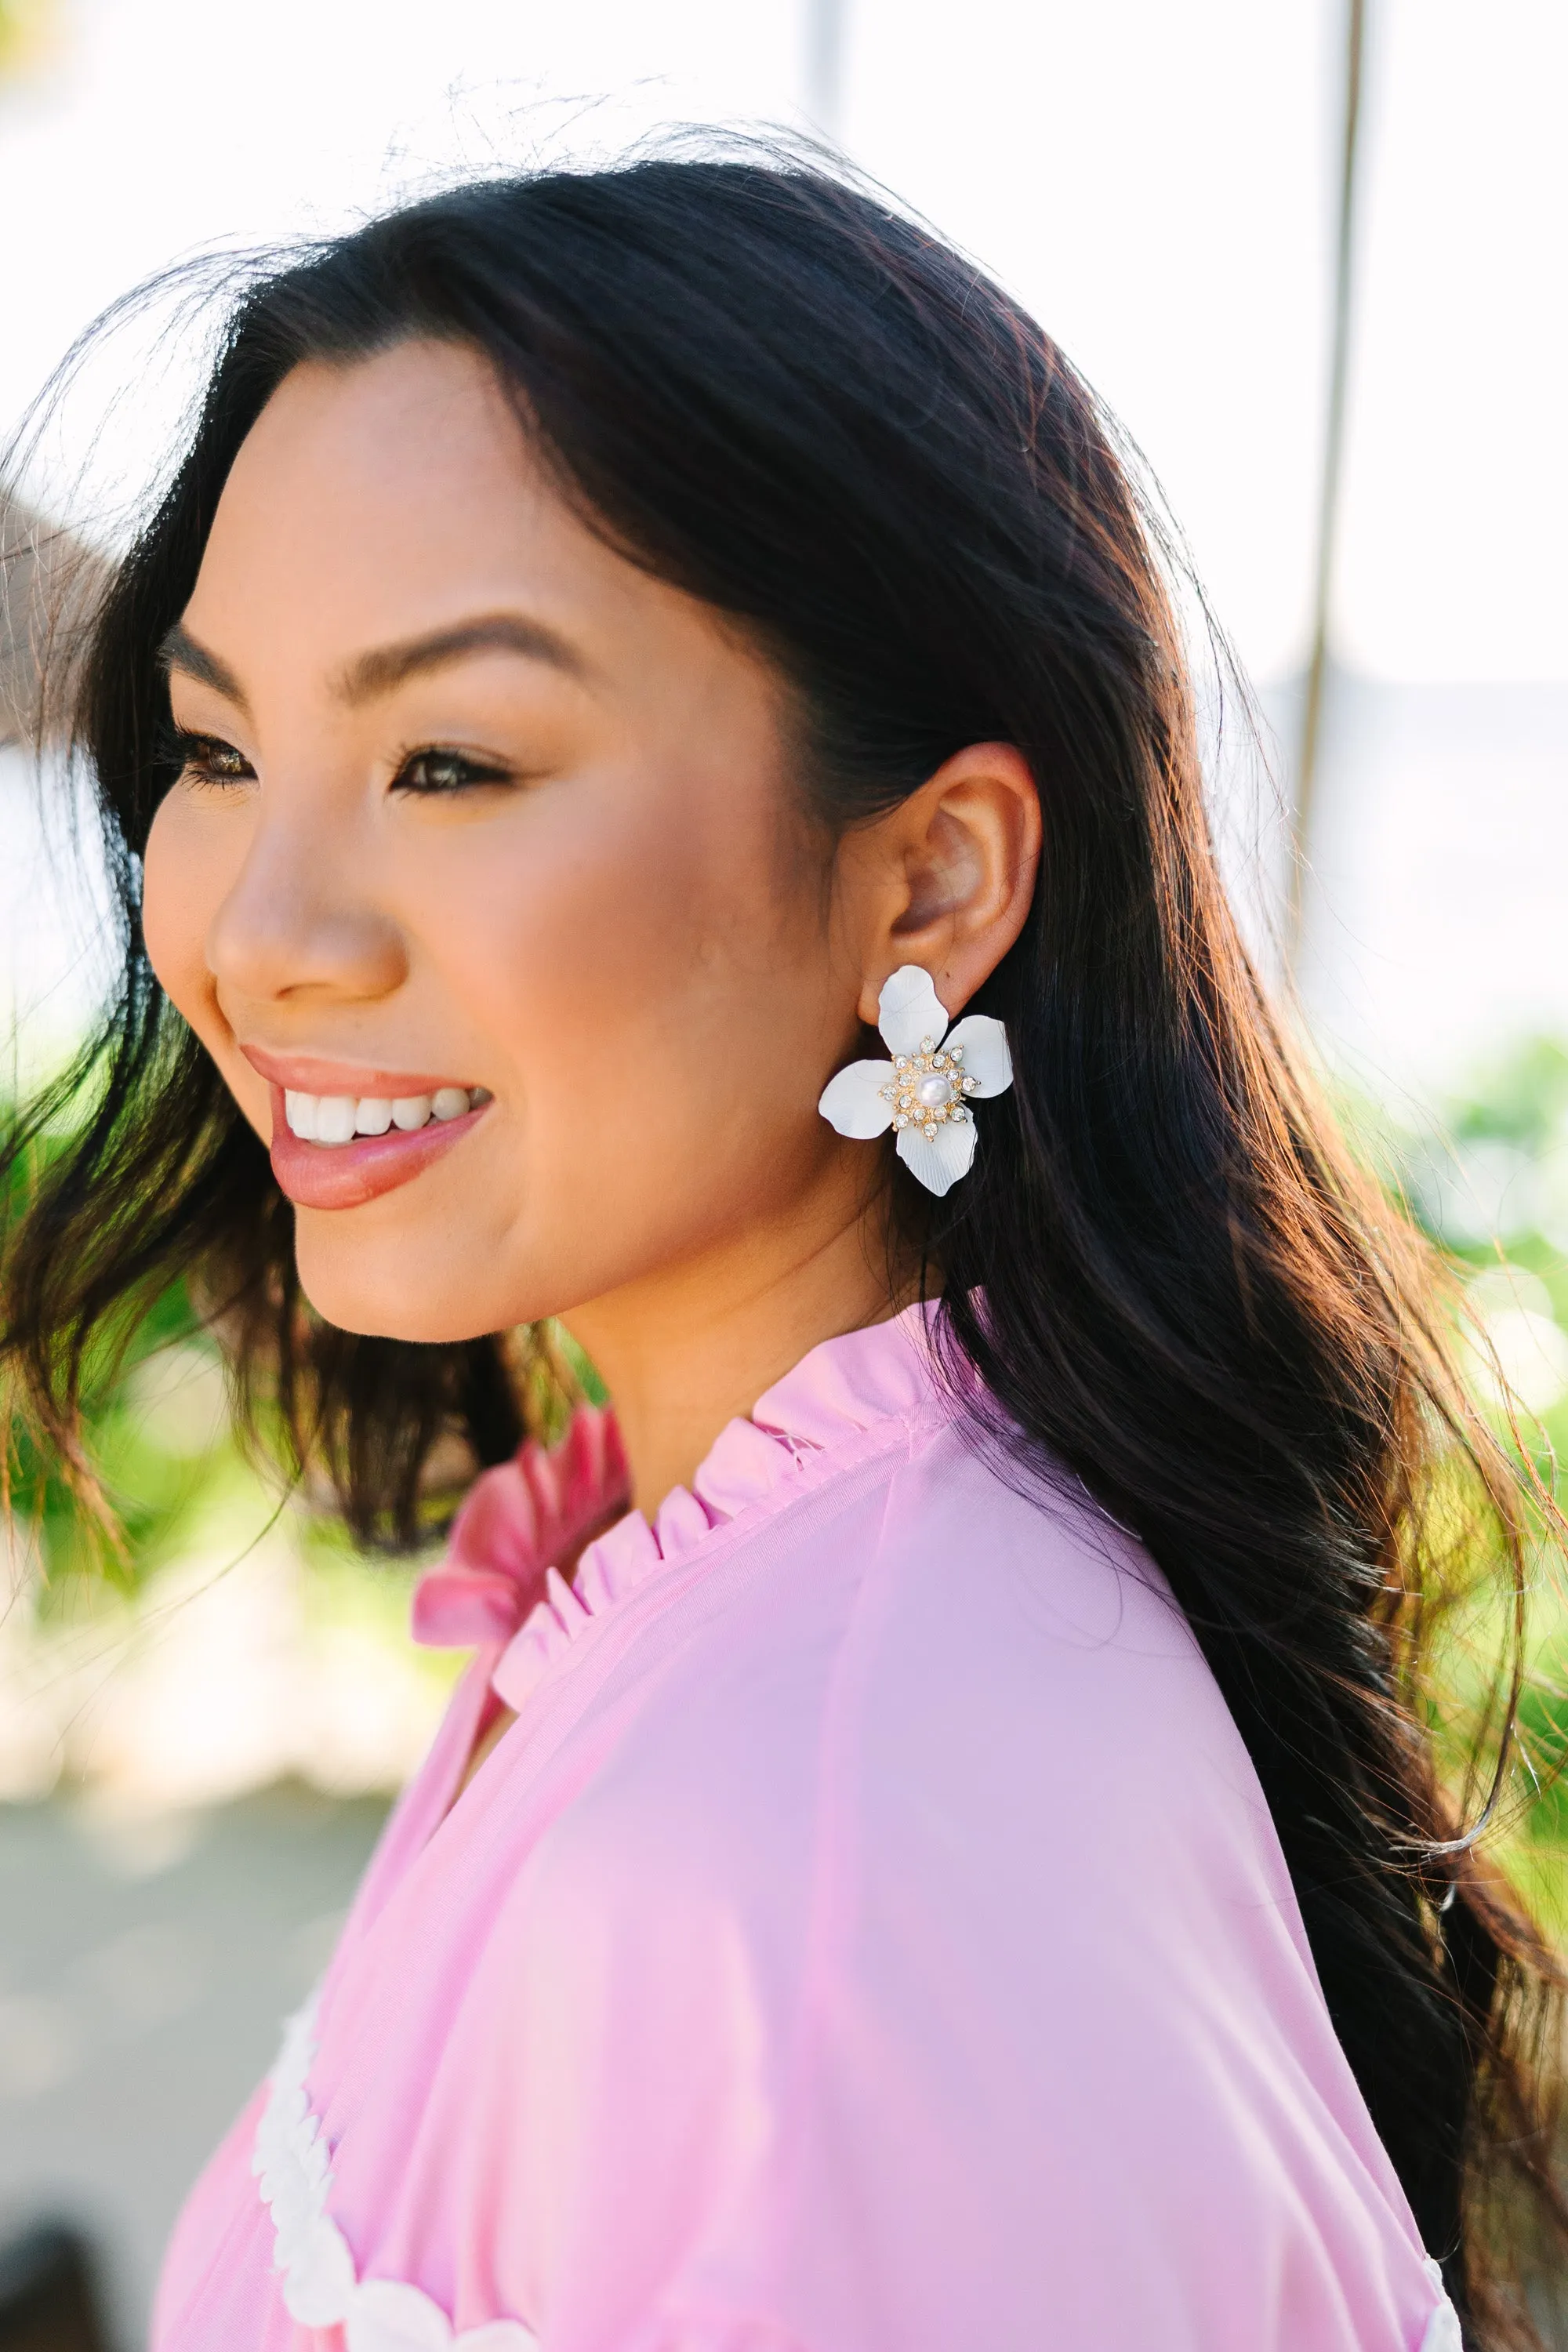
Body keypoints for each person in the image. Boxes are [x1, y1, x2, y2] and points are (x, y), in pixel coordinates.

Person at [2, 152, 1563, 2351]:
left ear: (929, 886)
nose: (255, 938)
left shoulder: (817, 1863)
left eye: (450, 759)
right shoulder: (704, 1592)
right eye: (219, 749)